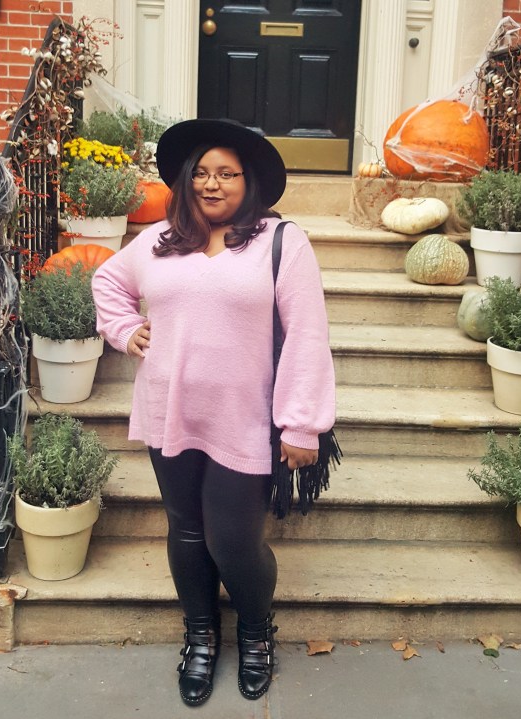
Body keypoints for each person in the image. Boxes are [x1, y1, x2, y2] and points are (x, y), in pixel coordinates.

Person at [91, 119, 336, 706]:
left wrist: (301, 422)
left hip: (243, 419)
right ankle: (201, 636)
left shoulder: (280, 241)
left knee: (232, 541)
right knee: (186, 529)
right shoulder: (158, 239)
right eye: (201, 172)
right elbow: (107, 280)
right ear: (185, 179)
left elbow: (307, 334)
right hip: (170, 411)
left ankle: (254, 630)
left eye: (226, 173)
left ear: (249, 182)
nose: (211, 183)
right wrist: (124, 329)